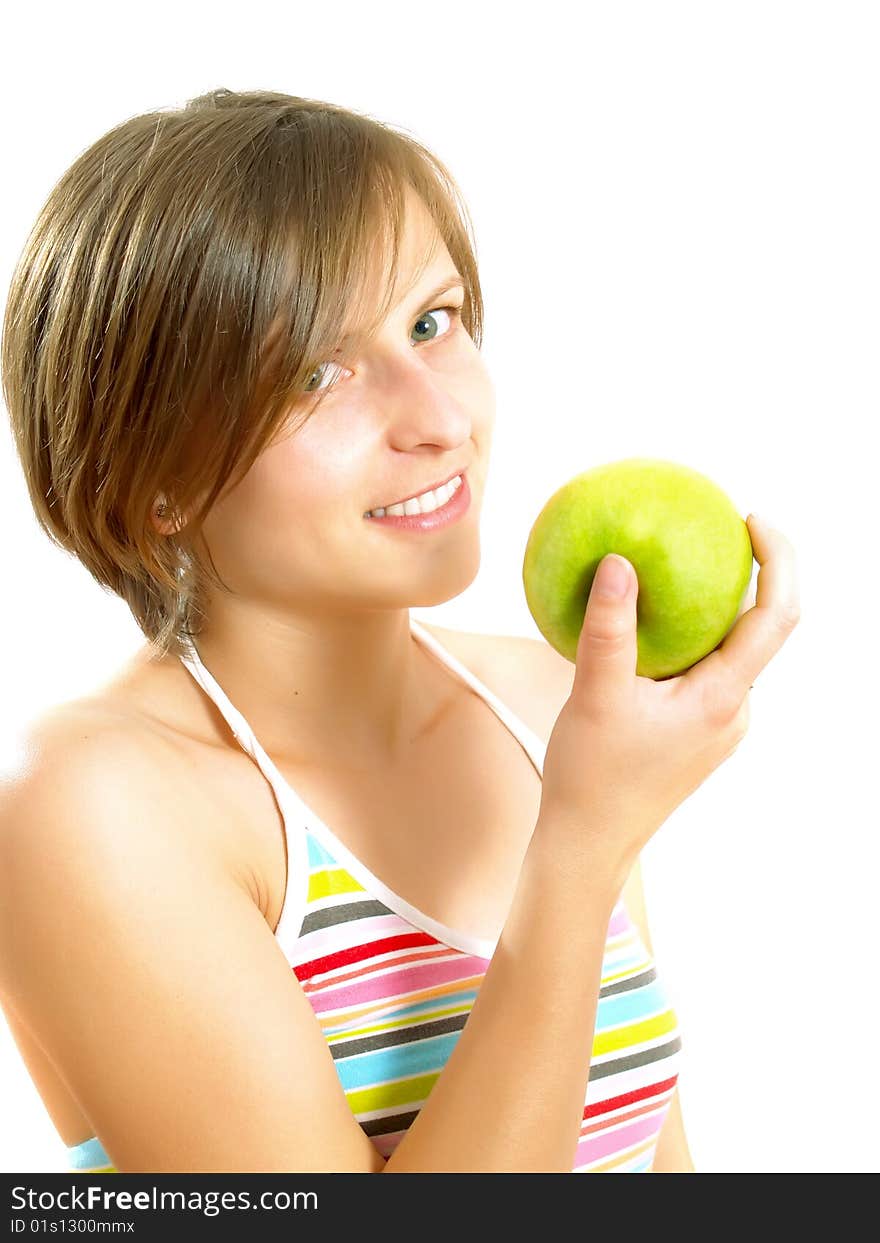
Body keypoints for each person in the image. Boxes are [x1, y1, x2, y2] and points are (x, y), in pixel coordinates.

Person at [0, 88, 800, 1175]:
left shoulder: (547, 709)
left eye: (432, 321)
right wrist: (577, 850)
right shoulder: (86, 804)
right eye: (309, 374)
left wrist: (587, 811)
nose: (438, 419)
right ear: (156, 486)